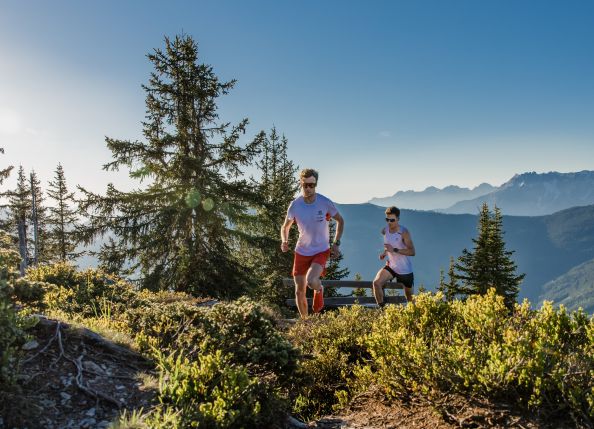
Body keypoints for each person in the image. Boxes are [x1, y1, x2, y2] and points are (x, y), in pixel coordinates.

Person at [281, 168, 344, 317]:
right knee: (299, 291)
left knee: (311, 280)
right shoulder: (295, 205)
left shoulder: (324, 202)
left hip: (321, 250)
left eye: (312, 185)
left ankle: (319, 289)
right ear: (300, 184)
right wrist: (284, 240)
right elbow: (285, 226)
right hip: (301, 250)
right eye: (305, 185)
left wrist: (336, 243)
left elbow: (340, 220)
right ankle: (305, 322)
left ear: (316, 184)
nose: (309, 188)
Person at [373, 206, 416, 306]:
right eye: (387, 219)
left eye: (392, 220)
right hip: (392, 267)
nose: (389, 222)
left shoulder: (404, 232)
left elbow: (412, 252)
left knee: (409, 298)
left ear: (398, 219)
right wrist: (385, 253)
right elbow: (388, 246)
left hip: (405, 270)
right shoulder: (385, 230)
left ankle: (415, 316)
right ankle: (382, 310)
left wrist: (395, 250)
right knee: (376, 283)